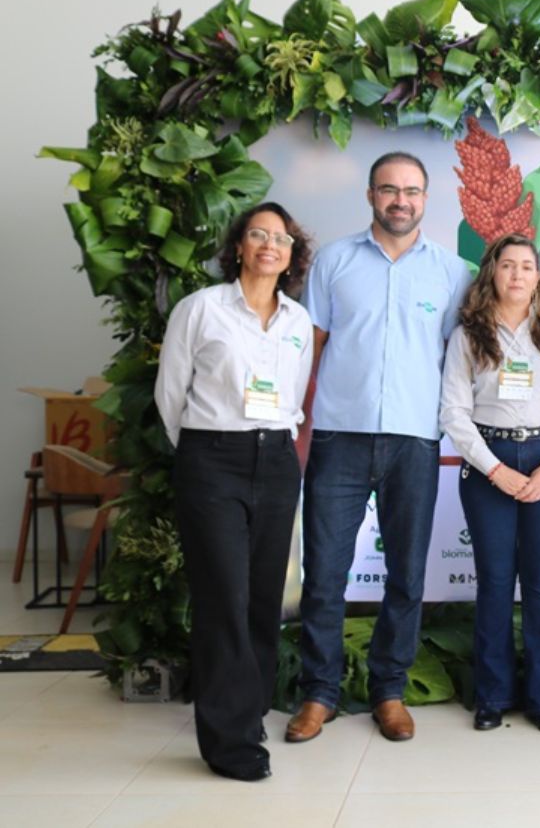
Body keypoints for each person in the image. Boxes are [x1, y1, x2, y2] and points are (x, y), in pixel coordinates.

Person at [286, 152, 472, 744]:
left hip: (415, 440)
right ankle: (319, 693)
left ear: (425, 199)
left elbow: (461, 363)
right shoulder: (334, 263)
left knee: (407, 575)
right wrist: (295, 424)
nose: (401, 201)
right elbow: (306, 350)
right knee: (325, 575)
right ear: (370, 195)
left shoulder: (453, 272)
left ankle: (389, 690)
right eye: (389, 190)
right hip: (339, 437)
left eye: (412, 191)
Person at [155, 202, 314, 781]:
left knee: (262, 599)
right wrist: (206, 451)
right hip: (211, 457)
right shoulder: (200, 310)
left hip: (275, 460)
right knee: (223, 596)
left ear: (293, 255)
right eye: (258, 235)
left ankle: (248, 716)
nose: (270, 245)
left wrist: (269, 448)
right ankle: (229, 743)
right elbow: (170, 396)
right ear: (239, 247)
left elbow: (294, 394)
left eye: (281, 238)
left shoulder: (297, 320)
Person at [440, 234, 540, 734]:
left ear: (539, 276)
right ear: (492, 273)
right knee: (496, 584)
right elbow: (453, 412)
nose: (517, 275)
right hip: (488, 462)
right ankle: (492, 696)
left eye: (527, 266)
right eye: (507, 266)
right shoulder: (468, 334)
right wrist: (495, 469)